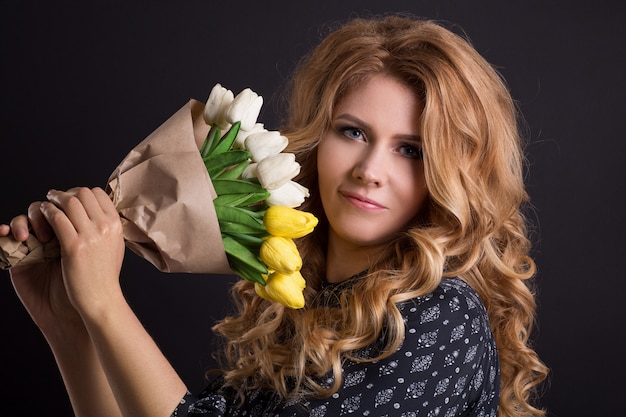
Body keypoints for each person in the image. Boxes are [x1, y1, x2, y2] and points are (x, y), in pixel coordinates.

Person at [1, 14, 548, 417]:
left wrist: (104, 304)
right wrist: (71, 326)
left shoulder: (440, 318)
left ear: (452, 174)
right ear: (314, 139)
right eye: (352, 132)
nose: (369, 170)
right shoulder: (297, 302)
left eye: (412, 150)